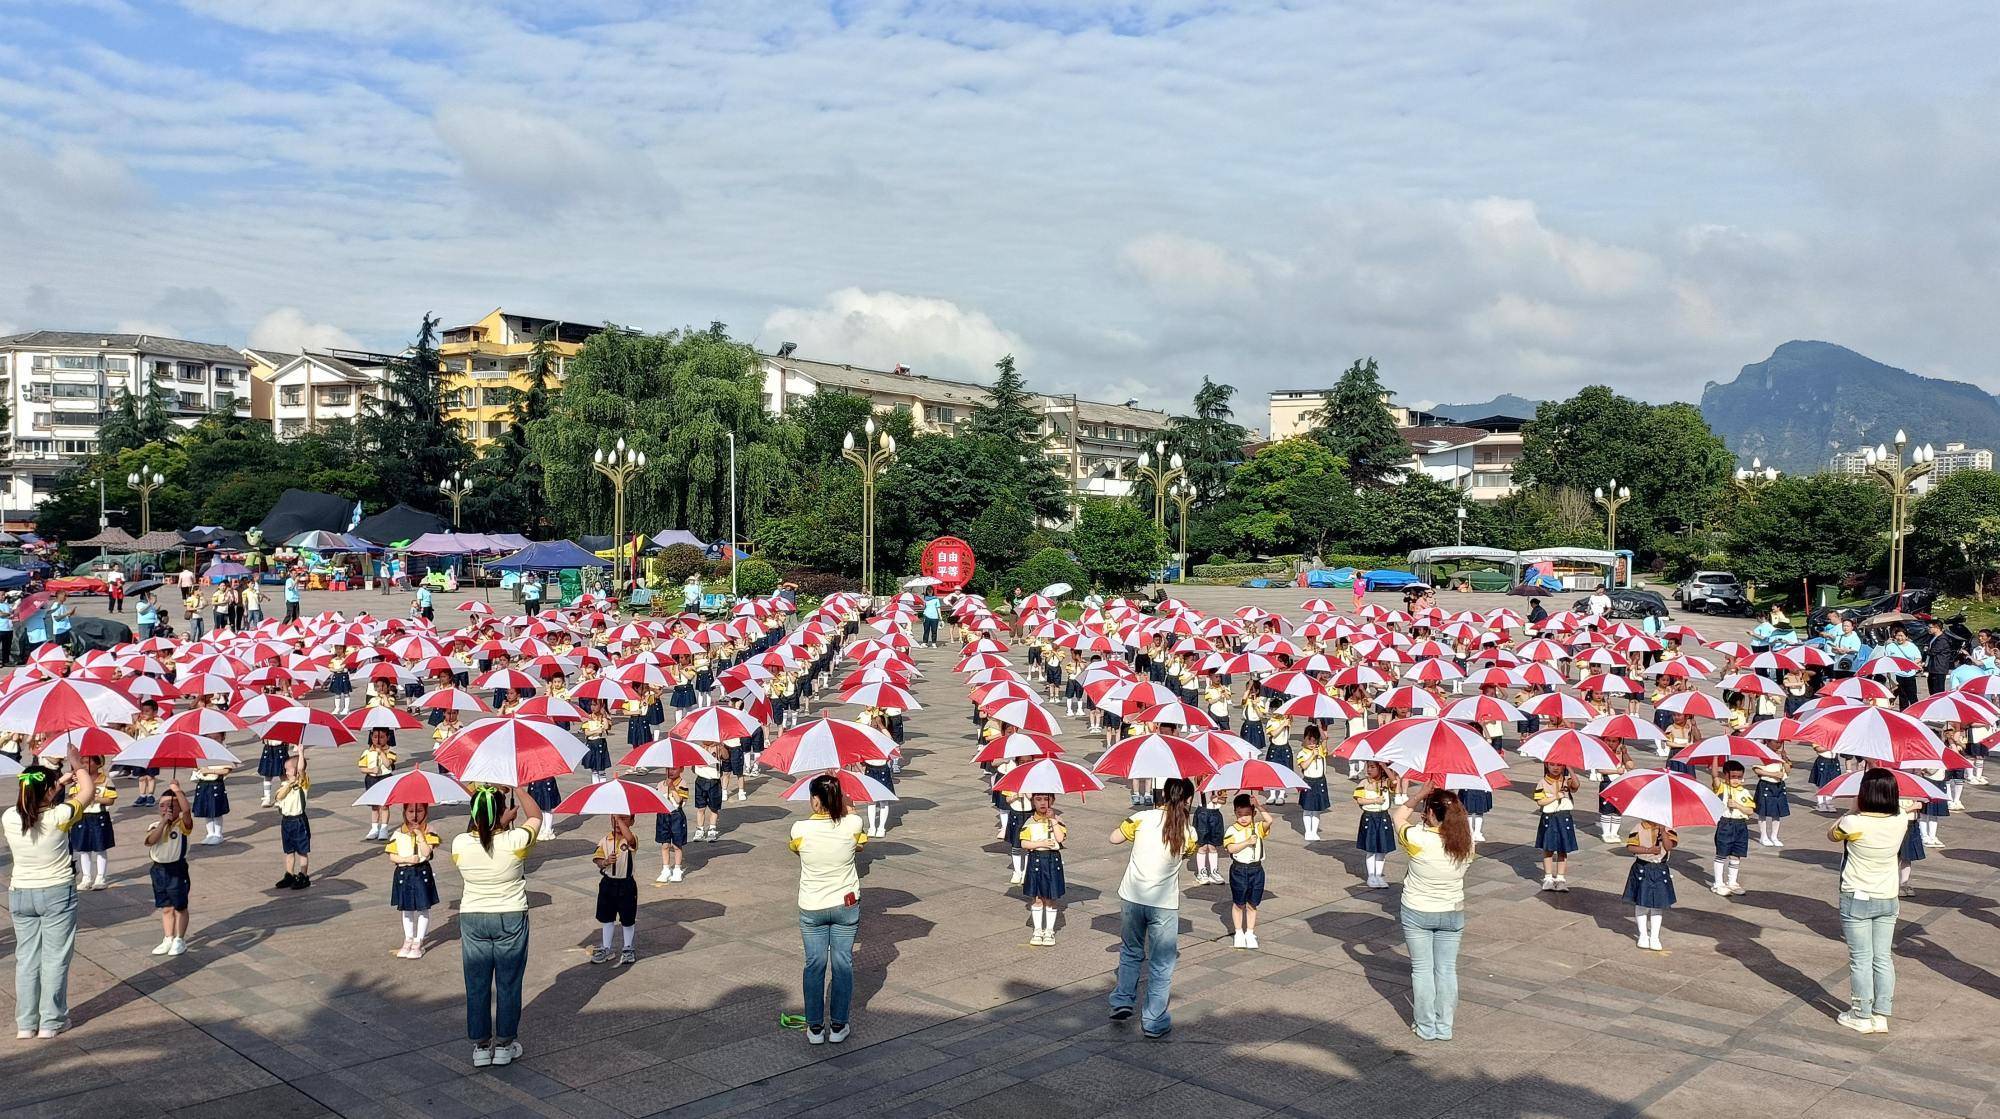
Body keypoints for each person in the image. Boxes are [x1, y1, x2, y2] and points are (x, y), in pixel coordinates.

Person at [7, 750, 96, 1039]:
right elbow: (89, 791)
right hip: (56, 891)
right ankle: (51, 1021)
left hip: (21, 894)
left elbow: (34, 800)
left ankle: (26, 1023)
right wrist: (77, 763)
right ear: (48, 791)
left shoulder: (9, 817)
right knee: (55, 959)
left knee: (27, 960)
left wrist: (56, 783)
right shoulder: (60, 815)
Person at [454, 784, 540, 1066]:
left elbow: (478, 832)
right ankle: (504, 1044)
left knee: (476, 984)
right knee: (508, 983)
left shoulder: (460, 844)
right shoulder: (516, 841)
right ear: (503, 812)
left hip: (473, 917)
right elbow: (536, 816)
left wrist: (495, 822)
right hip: (510, 915)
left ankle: (480, 1046)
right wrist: (521, 791)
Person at [1108, 776, 1197, 1039]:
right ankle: (1154, 1020)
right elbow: (1189, 856)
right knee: (1161, 963)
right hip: (1164, 905)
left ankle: (1122, 1000)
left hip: (1132, 898)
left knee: (1131, 951)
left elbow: (1114, 838)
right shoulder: (1189, 832)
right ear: (1188, 800)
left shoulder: (1142, 819)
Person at [789, 772, 867, 1045]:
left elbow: (797, 851)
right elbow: (859, 845)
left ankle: (814, 1027)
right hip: (845, 904)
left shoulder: (799, 829)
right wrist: (847, 808)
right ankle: (838, 1025)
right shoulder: (854, 823)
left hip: (812, 906)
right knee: (842, 963)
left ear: (814, 800)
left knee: (815, 964)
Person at [1829, 767, 1908, 1034]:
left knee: (1861, 959)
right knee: (1882, 958)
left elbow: (1832, 834)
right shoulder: (1901, 819)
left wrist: (1852, 810)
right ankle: (1881, 1014)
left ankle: (1861, 1014)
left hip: (1857, 896)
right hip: (1888, 895)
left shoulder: (1854, 823)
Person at [1392, 784, 1473, 1042]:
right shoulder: (1466, 844)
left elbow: (1398, 817)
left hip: (1417, 910)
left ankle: (1425, 1026)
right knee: (1447, 970)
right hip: (1452, 912)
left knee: (1423, 970)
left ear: (1429, 812)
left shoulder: (1418, 839)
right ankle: (1444, 1026)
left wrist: (1418, 795)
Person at [144, 784, 194, 957]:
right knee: (166, 906)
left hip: (176, 868)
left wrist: (178, 790)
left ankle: (180, 939)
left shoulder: (182, 826)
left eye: (171, 805)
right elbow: (151, 841)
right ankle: (168, 937)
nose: (166, 809)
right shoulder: (155, 825)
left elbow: (187, 812)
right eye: (162, 805)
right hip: (159, 870)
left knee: (180, 906)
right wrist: (164, 822)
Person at [387, 803, 441, 959]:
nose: (414, 815)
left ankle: (419, 941)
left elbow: (427, 853)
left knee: (423, 907)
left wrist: (420, 835)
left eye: (419, 810)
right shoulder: (399, 832)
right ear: (404, 812)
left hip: (421, 872)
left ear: (425, 811)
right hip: (403, 873)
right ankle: (408, 939)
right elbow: (392, 856)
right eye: (410, 811)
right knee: (406, 908)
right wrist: (407, 859)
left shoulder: (429, 830)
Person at [1224, 792, 1272, 949]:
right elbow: (1230, 848)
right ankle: (1239, 932)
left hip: (1256, 868)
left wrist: (1258, 804)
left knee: (1252, 903)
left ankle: (1250, 932)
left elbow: (1269, 820)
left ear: (1253, 814)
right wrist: (1246, 842)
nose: (1243, 818)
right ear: (1235, 813)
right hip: (1239, 869)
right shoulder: (1232, 829)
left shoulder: (1257, 827)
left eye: (1247, 814)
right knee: (1239, 903)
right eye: (1239, 814)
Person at [591, 814, 640, 965]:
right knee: (607, 917)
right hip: (608, 884)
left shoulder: (631, 839)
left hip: (626, 884)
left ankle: (628, 948)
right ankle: (606, 948)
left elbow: (630, 839)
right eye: (615, 819)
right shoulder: (605, 840)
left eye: (624, 819)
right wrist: (605, 862)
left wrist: (619, 819)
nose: (618, 823)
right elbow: (598, 859)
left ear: (632, 821)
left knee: (627, 918)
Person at [1019, 792, 1067, 946]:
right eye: (1038, 799)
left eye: (1046, 799)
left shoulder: (1057, 820)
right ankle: (1038, 929)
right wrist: (1040, 844)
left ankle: (1049, 931)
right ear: (1033, 802)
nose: (1042, 803)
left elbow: (1060, 839)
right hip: (1036, 860)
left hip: (1052, 860)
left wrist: (1053, 821)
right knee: (1037, 897)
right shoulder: (1029, 822)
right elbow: (1024, 843)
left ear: (1052, 800)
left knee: (1050, 898)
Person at [1623, 818, 1677, 951]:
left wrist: (1663, 831)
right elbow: (1630, 847)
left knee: (1658, 905)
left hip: (1660, 868)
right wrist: (1648, 850)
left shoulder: (1668, 828)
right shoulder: (1639, 827)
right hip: (1643, 867)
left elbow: (1669, 846)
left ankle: (1654, 936)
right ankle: (1643, 935)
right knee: (1641, 903)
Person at [1532, 763, 1580, 891]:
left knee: (1562, 850)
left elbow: (1576, 785)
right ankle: (1548, 877)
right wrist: (1554, 796)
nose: (1556, 767)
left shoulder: (1566, 781)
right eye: (1552, 764)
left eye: (1559, 765)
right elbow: (1539, 801)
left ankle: (1560, 878)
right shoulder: (1542, 782)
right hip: (1549, 817)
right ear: (1547, 766)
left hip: (1564, 817)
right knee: (1548, 849)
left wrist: (1570, 769)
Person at [1711, 760, 1756, 896]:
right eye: (1733, 776)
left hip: (1740, 824)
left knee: (1736, 854)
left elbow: (1750, 811)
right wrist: (1715, 757)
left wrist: (1738, 805)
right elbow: (1714, 776)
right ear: (1726, 775)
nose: (1736, 780)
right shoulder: (1722, 787)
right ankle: (1718, 883)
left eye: (1739, 777)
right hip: (1726, 823)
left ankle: (1732, 882)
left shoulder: (1745, 791)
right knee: (1722, 853)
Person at [274, 755, 312, 888]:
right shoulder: (285, 785)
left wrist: (301, 753)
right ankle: (289, 874)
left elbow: (301, 769)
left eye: (288, 769)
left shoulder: (303, 784)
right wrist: (289, 784)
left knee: (302, 850)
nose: (286, 772)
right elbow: (278, 796)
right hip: (286, 821)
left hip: (298, 821)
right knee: (289, 850)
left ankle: (303, 876)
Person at [1923, 620, 1955, 697]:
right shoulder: (1934, 637)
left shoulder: (1942, 639)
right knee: (1932, 690)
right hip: (1933, 668)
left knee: (1938, 691)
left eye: (1930, 627)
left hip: (1939, 669)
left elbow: (1933, 651)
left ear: (1937, 628)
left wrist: (1926, 650)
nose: (1928, 629)